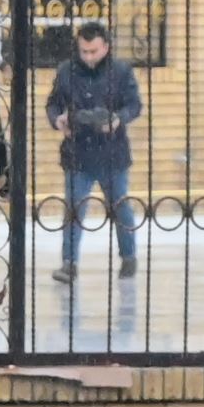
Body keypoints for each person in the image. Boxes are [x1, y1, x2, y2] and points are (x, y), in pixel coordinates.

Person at [46, 19, 144, 322]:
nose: (89, 57)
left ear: (106, 47)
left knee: (120, 206)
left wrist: (117, 119)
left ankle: (128, 257)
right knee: (74, 209)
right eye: (84, 51)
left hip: (112, 153)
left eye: (94, 51)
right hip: (77, 153)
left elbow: (135, 105)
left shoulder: (121, 71)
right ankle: (69, 263)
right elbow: (53, 104)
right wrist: (59, 119)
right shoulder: (66, 71)